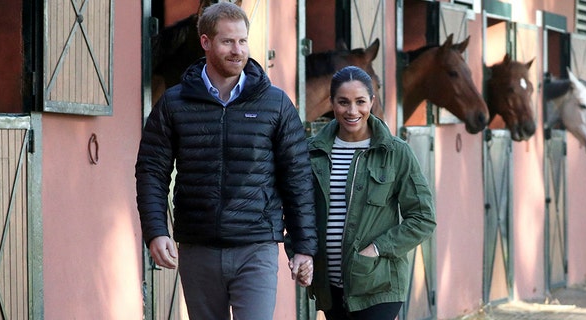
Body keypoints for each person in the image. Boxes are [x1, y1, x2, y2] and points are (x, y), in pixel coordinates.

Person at [135, 3, 317, 320]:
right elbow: (151, 170)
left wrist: (303, 246)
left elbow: (297, 177)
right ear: (205, 42)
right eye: (228, 41)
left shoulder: (275, 104)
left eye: (242, 41)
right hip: (197, 247)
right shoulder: (174, 103)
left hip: (256, 247)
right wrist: (155, 230)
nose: (237, 50)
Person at [300, 66, 436, 320]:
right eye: (343, 102)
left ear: (372, 102)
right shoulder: (311, 152)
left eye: (360, 102)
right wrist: (299, 252)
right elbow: (299, 211)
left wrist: (377, 248)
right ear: (331, 103)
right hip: (329, 287)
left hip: (378, 284)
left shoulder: (395, 152)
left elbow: (423, 218)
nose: (352, 111)